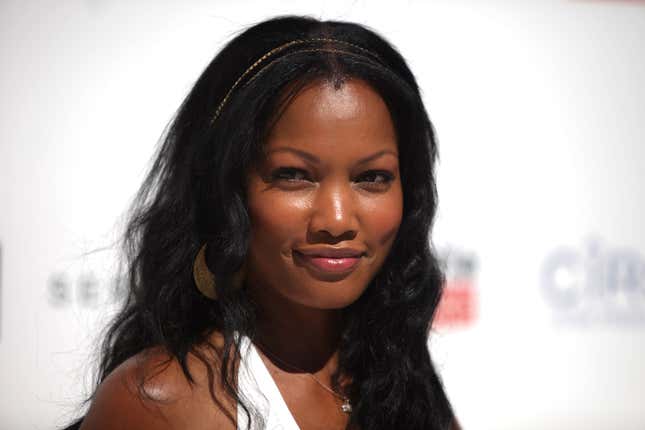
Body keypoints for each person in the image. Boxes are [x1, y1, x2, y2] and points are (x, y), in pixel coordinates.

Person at [63, 15, 459, 430]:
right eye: (293, 175)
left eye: (372, 177)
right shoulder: (158, 404)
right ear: (223, 188)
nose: (337, 220)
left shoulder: (406, 382)